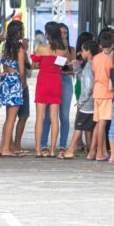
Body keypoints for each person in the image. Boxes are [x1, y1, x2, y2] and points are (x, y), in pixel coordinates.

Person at [31, 22, 67, 158]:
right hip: (56, 83)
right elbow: (62, 66)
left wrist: (40, 63)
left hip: (43, 83)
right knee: (54, 117)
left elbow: (34, 65)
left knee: (40, 117)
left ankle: (38, 150)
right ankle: (52, 150)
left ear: (47, 34)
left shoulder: (41, 48)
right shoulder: (62, 50)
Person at [61, 40, 97, 160]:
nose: (81, 53)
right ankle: (93, 150)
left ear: (88, 51)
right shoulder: (94, 64)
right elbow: (84, 78)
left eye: (82, 50)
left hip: (87, 103)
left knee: (79, 126)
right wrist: (76, 67)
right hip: (94, 101)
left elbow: (87, 86)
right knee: (94, 127)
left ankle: (70, 150)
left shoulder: (89, 65)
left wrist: (81, 101)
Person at [41, 23, 74, 153]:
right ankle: (44, 143)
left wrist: (65, 49)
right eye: (60, 33)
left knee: (64, 115)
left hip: (65, 81)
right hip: (53, 80)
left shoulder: (70, 49)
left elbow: (72, 67)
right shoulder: (50, 49)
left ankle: (62, 144)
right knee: (48, 115)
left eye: (65, 33)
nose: (63, 35)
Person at [0, 21, 26, 157]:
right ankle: (6, 149)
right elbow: (21, 70)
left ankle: (4, 146)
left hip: (5, 80)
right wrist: (23, 84)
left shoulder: (5, 46)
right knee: (12, 118)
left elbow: (3, 65)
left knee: (8, 117)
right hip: (14, 81)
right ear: (18, 32)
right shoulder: (19, 48)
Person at [89, 31, 114, 161]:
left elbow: (94, 72)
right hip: (106, 93)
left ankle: (93, 152)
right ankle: (100, 152)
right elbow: (112, 77)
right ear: (112, 46)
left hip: (97, 92)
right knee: (103, 124)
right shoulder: (110, 60)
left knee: (98, 123)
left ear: (100, 45)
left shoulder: (95, 58)